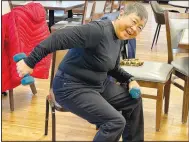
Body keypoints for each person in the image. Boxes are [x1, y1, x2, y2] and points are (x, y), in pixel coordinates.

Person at [16, 2, 148, 142]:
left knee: (133, 101)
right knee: (115, 122)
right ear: (122, 13)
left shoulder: (120, 39)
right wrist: (30, 61)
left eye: (139, 27)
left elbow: (113, 68)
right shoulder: (98, 30)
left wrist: (130, 79)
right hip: (70, 87)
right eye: (133, 22)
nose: (134, 29)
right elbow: (58, 37)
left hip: (97, 85)